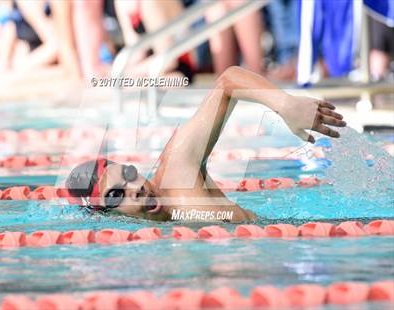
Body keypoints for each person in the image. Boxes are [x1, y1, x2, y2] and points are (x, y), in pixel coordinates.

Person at [66, 66, 346, 223]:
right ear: (102, 215)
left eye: (128, 175)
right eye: (116, 195)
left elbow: (228, 80)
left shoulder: (178, 171)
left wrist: (286, 105)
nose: (136, 189)